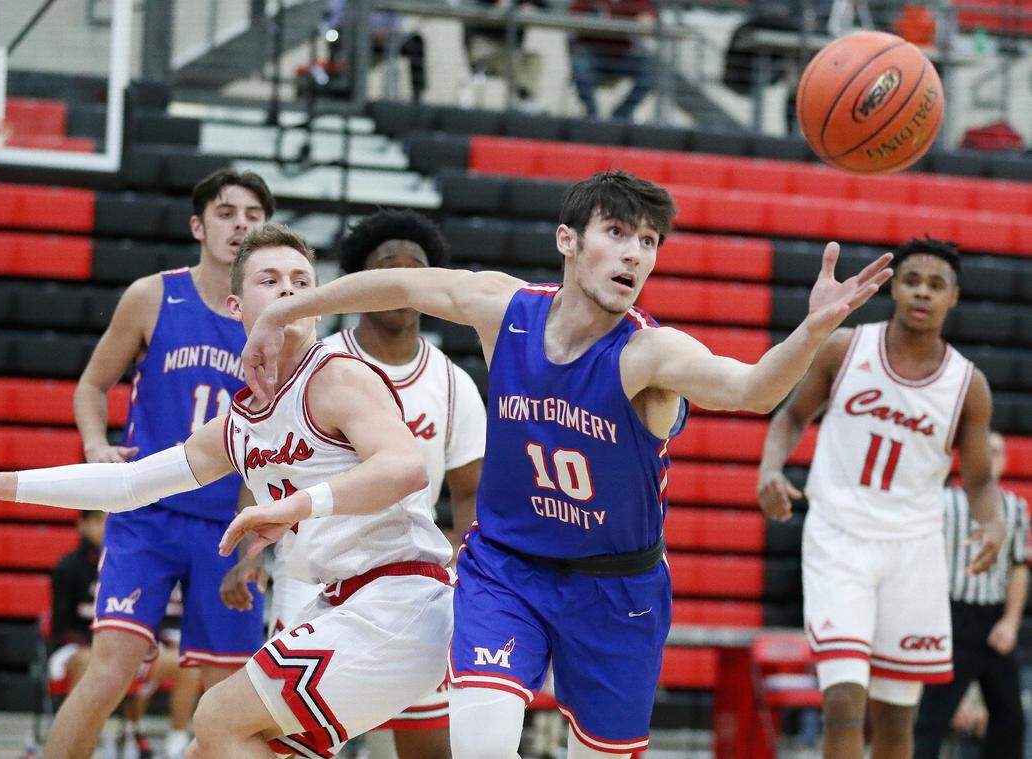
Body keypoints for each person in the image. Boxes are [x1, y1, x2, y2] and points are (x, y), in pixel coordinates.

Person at [232, 169, 893, 757]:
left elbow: (751, 390)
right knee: (481, 743)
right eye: (617, 232)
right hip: (507, 569)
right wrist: (289, 308)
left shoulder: (650, 354)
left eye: (649, 242)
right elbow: (403, 280)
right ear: (567, 242)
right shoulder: (506, 311)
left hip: (615, 589)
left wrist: (810, 332)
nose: (634, 252)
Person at [0, 222, 454, 758]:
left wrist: (294, 504)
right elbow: (129, 483)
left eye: (301, 280)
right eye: (269, 279)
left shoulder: (337, 376)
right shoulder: (239, 425)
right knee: (207, 751)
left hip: (400, 598)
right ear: (234, 307)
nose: (288, 289)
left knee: (217, 714)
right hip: (344, 603)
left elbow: (406, 468)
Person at [234, 209, 486, 758]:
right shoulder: (320, 362)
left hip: (405, 579)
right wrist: (247, 555)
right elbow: (263, 456)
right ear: (360, 283)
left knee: (426, 746)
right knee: (288, 741)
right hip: (315, 574)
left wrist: (469, 574)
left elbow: (468, 494)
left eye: (415, 268)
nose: (401, 278)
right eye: (386, 267)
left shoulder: (453, 382)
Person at [756, 236, 1007, 759]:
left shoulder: (968, 385)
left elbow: (980, 479)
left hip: (914, 551)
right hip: (839, 540)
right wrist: (770, 468)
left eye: (936, 285)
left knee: (897, 724)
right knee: (844, 702)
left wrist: (993, 523)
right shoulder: (845, 348)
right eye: (912, 280)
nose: (922, 292)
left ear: (953, 298)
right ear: (895, 287)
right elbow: (790, 417)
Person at [59, 168, 275, 758]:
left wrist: (255, 544)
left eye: (254, 216)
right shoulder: (153, 295)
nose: (240, 225)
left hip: (224, 527)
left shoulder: (276, 320)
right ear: (198, 225)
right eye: (228, 213)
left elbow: (272, 442)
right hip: (147, 514)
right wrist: (94, 445)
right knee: (107, 673)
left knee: (229, 697)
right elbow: (91, 387)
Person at [914, 431, 1028, 758]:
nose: (990, 457)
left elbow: (1020, 567)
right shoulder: (942, 502)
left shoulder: (1015, 508)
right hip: (950, 614)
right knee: (930, 720)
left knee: (1010, 717)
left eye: (996, 452)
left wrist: (1010, 621)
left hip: (992, 618)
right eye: (984, 450)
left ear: (1005, 462)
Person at [49, 512, 200, 759]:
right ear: (82, 525)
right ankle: (87, 740)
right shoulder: (68, 567)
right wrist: (95, 646)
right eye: (97, 521)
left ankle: (177, 737)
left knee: (186, 663)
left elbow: (148, 615)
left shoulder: (133, 563)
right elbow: (61, 624)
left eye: (106, 521)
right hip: (75, 646)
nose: (103, 528)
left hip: (121, 645)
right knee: (93, 663)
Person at [568, 0, 658, 121]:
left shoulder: (637, 2)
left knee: (650, 74)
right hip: (593, 54)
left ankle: (620, 116)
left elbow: (648, 20)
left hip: (622, 56)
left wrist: (646, 21)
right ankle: (592, 115)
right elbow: (573, 19)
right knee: (580, 65)